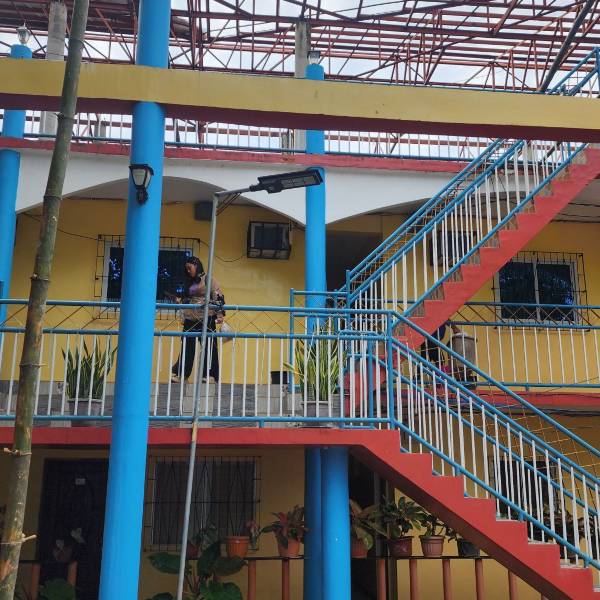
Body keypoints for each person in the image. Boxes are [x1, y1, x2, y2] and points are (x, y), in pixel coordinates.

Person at [171, 256, 224, 383]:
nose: (188, 271)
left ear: (197, 266)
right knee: (187, 346)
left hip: (207, 317)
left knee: (209, 346)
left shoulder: (208, 279)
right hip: (190, 317)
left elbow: (218, 296)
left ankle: (210, 375)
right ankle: (182, 375)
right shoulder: (188, 281)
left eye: (190, 268)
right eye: (186, 269)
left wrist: (220, 315)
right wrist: (180, 301)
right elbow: (186, 298)